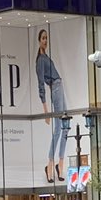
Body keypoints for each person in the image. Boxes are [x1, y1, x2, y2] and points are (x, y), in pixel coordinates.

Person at [36, 26, 70, 185]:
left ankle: (60, 165)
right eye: (43, 38)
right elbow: (40, 85)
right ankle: (50, 166)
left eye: (46, 38)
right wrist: (45, 110)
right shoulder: (41, 60)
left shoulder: (46, 57)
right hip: (55, 89)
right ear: (39, 40)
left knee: (65, 126)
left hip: (59, 87)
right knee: (58, 129)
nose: (45, 41)